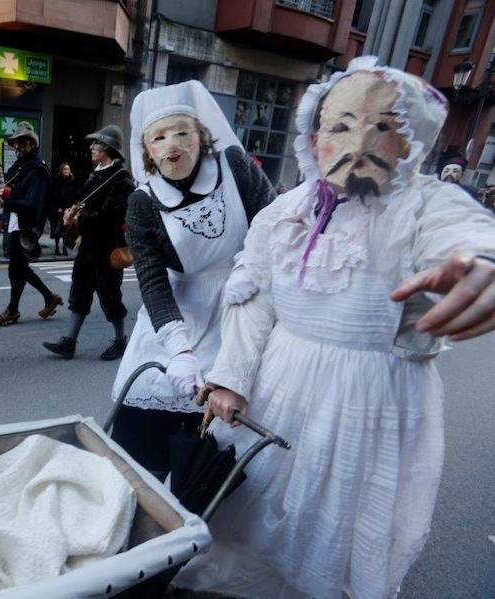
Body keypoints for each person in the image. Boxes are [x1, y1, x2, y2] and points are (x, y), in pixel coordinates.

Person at [180, 58, 495, 599]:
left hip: (371, 406)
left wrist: (481, 264)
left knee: (336, 532)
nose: (361, 140)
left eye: (384, 126)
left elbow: (464, 233)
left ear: (411, 140)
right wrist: (231, 376)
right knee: (249, 513)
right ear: (315, 135)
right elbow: (253, 300)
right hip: (279, 387)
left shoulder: (422, 205)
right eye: (342, 125)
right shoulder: (285, 212)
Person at [108, 80, 275, 474]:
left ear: (201, 135)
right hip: (175, 315)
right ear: (146, 149)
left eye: (183, 132)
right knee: (141, 445)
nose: (173, 145)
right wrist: (179, 351)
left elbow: (276, 224)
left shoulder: (235, 168)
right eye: (159, 137)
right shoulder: (142, 202)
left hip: (242, 306)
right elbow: (152, 280)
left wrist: (253, 264)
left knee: (215, 443)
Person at [43, 126, 134, 360]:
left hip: (108, 247)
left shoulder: (122, 179)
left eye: (98, 144)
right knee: (79, 290)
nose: (92, 148)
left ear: (109, 149)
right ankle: (69, 341)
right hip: (88, 246)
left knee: (110, 294)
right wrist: (72, 211)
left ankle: (120, 341)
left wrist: (81, 218)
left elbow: (112, 216)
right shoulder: (96, 173)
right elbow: (84, 201)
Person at [0, 122, 63, 326]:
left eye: (22, 143)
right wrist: (1, 193)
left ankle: (13, 310)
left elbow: (32, 203)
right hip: (16, 220)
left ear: (32, 144)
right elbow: (15, 191)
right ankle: (49, 297)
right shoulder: (20, 167)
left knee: (16, 268)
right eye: (15, 143)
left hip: (27, 225)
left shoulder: (37, 169)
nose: (17, 147)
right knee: (19, 268)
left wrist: (6, 200)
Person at [50, 163, 77, 256]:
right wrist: (58, 207)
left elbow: (74, 195)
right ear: (61, 170)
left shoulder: (72, 181)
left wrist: (72, 207)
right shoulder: (57, 181)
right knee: (58, 228)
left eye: (68, 169)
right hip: (59, 209)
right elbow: (54, 195)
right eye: (65, 169)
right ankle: (57, 247)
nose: (67, 171)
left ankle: (65, 247)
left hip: (68, 208)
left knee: (66, 229)